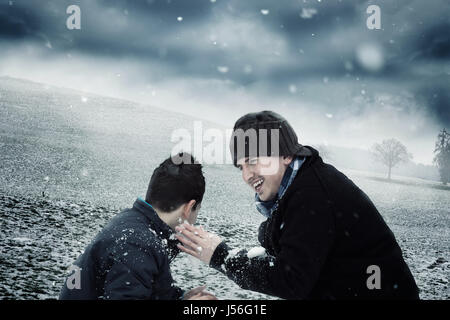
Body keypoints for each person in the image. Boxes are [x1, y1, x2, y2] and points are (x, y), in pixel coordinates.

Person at [176, 111, 420, 300]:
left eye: (253, 161)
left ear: (285, 155)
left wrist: (221, 256)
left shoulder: (311, 194)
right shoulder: (304, 184)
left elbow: (291, 280)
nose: (247, 175)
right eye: (241, 166)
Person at [59, 153, 216, 300]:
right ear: (189, 208)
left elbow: (147, 290)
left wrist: (180, 298)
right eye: (198, 210)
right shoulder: (138, 245)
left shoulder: (136, 226)